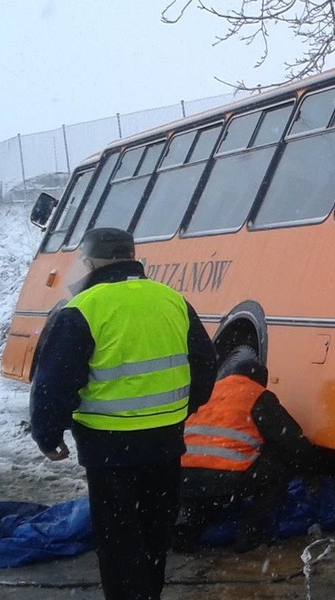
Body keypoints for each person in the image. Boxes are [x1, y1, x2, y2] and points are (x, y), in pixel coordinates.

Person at [30, 227, 217, 600]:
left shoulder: (84, 307)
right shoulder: (172, 300)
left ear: (92, 261)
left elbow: (54, 382)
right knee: (153, 534)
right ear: (131, 255)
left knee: (119, 541)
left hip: (108, 448)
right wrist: (179, 410)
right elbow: (205, 364)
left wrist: (48, 435)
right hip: (164, 442)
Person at [174, 346, 312, 553]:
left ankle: (191, 531)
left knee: (204, 498)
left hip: (183, 478)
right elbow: (292, 441)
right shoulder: (257, 394)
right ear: (260, 379)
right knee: (280, 463)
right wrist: (313, 466)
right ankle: (250, 533)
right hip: (225, 479)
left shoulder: (210, 391)